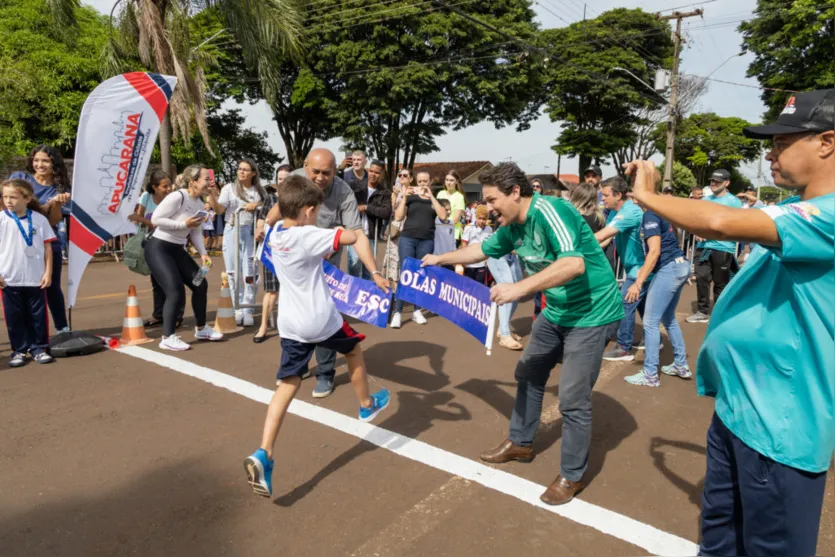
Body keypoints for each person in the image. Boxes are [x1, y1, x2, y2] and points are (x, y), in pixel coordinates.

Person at [626, 88, 833, 557]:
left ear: (826, 142)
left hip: (781, 428)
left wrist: (649, 194)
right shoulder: (795, 212)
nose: (771, 152)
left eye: (783, 142)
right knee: (719, 537)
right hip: (740, 413)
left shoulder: (829, 215)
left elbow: (718, 223)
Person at [422, 162, 623, 505]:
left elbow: (574, 264)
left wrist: (518, 289)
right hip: (558, 311)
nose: (487, 207)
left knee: (573, 398)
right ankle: (521, 443)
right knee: (528, 372)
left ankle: (571, 476)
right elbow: (482, 250)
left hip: (592, 313)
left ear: (516, 192)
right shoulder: (511, 225)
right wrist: (439, 258)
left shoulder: (551, 210)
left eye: (492, 198)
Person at [243, 175, 390, 498]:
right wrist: (375, 271)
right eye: (316, 210)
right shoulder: (308, 234)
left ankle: (264, 452)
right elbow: (355, 236)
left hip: (291, 323)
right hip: (320, 318)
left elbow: (271, 217)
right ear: (309, 210)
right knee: (352, 349)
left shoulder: (275, 231)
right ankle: (366, 404)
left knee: (288, 383)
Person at [268, 149, 390, 398]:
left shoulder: (343, 191)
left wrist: (374, 271)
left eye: (327, 173)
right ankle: (295, 367)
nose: (321, 178)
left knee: (326, 316)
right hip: (297, 261)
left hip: (327, 265)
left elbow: (356, 233)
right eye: (316, 172)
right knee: (294, 314)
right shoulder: (295, 180)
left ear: (336, 170)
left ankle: (325, 374)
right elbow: (279, 211)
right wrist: (265, 226)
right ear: (305, 167)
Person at [145, 165, 224, 350]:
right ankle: (168, 337)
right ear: (193, 181)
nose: (209, 182)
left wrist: (203, 253)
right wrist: (183, 223)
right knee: (174, 291)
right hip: (159, 248)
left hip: (177, 249)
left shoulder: (198, 203)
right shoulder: (178, 196)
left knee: (200, 283)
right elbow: (156, 219)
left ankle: (202, 328)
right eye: (206, 179)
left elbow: (195, 231)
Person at [622, 189, 690, 387]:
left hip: (670, 268)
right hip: (679, 265)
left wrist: (638, 282)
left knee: (650, 322)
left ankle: (650, 374)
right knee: (668, 318)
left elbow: (654, 253)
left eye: (634, 192)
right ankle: (680, 364)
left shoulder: (650, 215)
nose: (630, 196)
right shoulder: (657, 213)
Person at [9, 145, 71, 333]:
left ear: (55, 163)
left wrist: (57, 204)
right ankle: (27, 334)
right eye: (36, 160)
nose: (40, 164)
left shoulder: (61, 188)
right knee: (21, 288)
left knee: (51, 285)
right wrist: (47, 203)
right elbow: (14, 210)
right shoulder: (21, 179)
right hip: (17, 243)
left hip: (47, 243)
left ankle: (62, 328)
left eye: (45, 160)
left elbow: (53, 220)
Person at [0, 179, 56, 366]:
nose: (8, 201)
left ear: (27, 198)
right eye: (5, 196)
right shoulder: (1, 219)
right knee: (14, 317)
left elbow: (48, 248)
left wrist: (48, 273)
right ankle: (19, 350)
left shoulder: (39, 220)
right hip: (9, 279)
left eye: (13, 197)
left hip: (36, 278)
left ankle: (39, 348)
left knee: (37, 316)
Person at [207, 158, 267, 327]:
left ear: (253, 173)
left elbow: (267, 208)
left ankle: (247, 308)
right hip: (232, 229)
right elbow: (220, 209)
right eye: (240, 168)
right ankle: (237, 308)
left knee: (249, 272)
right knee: (232, 272)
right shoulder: (229, 188)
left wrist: (257, 204)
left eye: (246, 169)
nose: (241, 172)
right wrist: (211, 194)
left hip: (250, 231)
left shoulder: (259, 191)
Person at [594, 176, 648, 361]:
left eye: (606, 195)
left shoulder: (630, 212)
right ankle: (651, 340)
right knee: (644, 306)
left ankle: (624, 347)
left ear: (618, 195)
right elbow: (606, 239)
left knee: (624, 302)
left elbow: (602, 236)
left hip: (641, 269)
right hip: (636, 267)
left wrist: (571, 246)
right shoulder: (617, 213)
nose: (602, 198)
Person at [390, 168, 448, 329]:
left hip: (426, 240)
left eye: (425, 181)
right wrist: (404, 198)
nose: (422, 183)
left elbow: (443, 217)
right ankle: (398, 312)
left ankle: (416, 310)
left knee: (421, 274)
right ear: (416, 182)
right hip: (408, 238)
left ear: (430, 182)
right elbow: (399, 216)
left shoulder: (435, 199)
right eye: (420, 181)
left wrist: (431, 197)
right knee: (406, 273)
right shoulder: (411, 198)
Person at [686, 169, 744, 324]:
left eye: (717, 181)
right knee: (702, 278)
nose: (713, 184)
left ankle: (719, 313)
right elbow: (696, 220)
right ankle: (702, 311)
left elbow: (736, 224)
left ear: (727, 183)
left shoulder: (734, 202)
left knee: (721, 283)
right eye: (712, 181)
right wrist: (697, 231)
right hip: (704, 247)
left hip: (723, 248)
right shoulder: (706, 200)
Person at [128, 170, 180, 329]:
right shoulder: (146, 197)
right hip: (151, 242)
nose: (169, 189)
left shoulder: (174, 198)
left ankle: (176, 316)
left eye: (170, 185)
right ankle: (158, 315)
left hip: (170, 241)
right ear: (154, 187)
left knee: (173, 280)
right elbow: (135, 217)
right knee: (156, 280)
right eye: (165, 186)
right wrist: (150, 223)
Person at [341, 150, 370, 278]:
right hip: (351, 223)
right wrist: (340, 168)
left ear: (365, 161)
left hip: (369, 223)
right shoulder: (345, 176)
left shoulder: (370, 177)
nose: (356, 162)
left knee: (368, 264)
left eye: (359, 159)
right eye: (354, 160)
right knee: (354, 262)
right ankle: (353, 291)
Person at [461, 205, 492, 284]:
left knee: (479, 285)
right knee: (468, 285)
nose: (481, 221)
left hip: (481, 263)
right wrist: (464, 259)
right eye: (479, 218)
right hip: (470, 263)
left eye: (484, 219)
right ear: (476, 217)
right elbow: (464, 244)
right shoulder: (469, 227)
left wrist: (487, 259)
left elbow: (489, 245)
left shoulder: (489, 229)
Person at [436, 170, 467, 244]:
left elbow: (455, 219)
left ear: (456, 182)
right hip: (438, 232)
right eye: (447, 180)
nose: (448, 183)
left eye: (451, 180)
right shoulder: (440, 193)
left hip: (453, 234)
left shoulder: (459, 197)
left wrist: (442, 222)